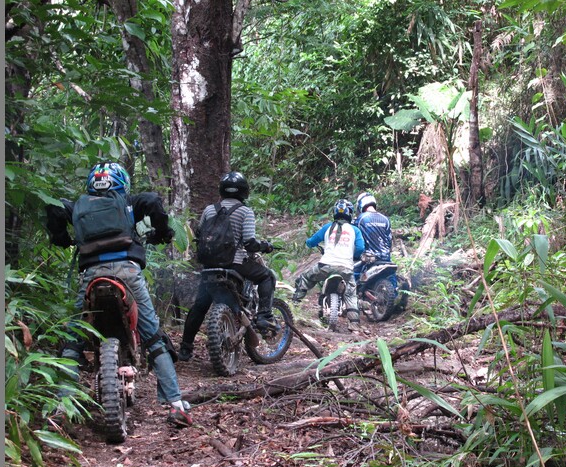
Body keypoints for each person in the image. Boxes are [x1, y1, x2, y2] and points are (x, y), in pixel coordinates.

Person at [45, 162, 192, 428]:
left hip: (91, 274)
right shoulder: (128, 203)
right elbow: (152, 200)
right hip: (128, 272)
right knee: (154, 337)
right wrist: (163, 231)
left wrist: (61, 237)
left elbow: (54, 207)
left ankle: (62, 406)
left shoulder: (78, 206)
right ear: (122, 182)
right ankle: (176, 405)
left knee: (73, 341)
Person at [179, 171, 278, 361]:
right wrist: (265, 246)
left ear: (222, 190)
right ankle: (264, 316)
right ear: (244, 191)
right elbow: (249, 243)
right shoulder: (245, 212)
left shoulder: (209, 210)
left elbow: (199, 235)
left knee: (200, 306)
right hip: (235, 264)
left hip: (209, 267)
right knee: (267, 276)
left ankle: (185, 348)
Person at [292, 199, 365, 331]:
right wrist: (352, 255)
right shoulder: (355, 230)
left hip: (325, 266)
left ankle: (293, 308)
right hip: (346, 268)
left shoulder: (327, 227)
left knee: (306, 278)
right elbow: (360, 248)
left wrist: (309, 242)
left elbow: (311, 242)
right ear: (350, 213)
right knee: (350, 293)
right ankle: (354, 323)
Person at [352, 191, 393, 278]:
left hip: (369, 259)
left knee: (352, 276)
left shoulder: (360, 219)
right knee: (392, 278)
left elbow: (354, 239)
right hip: (386, 258)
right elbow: (389, 241)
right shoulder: (385, 219)